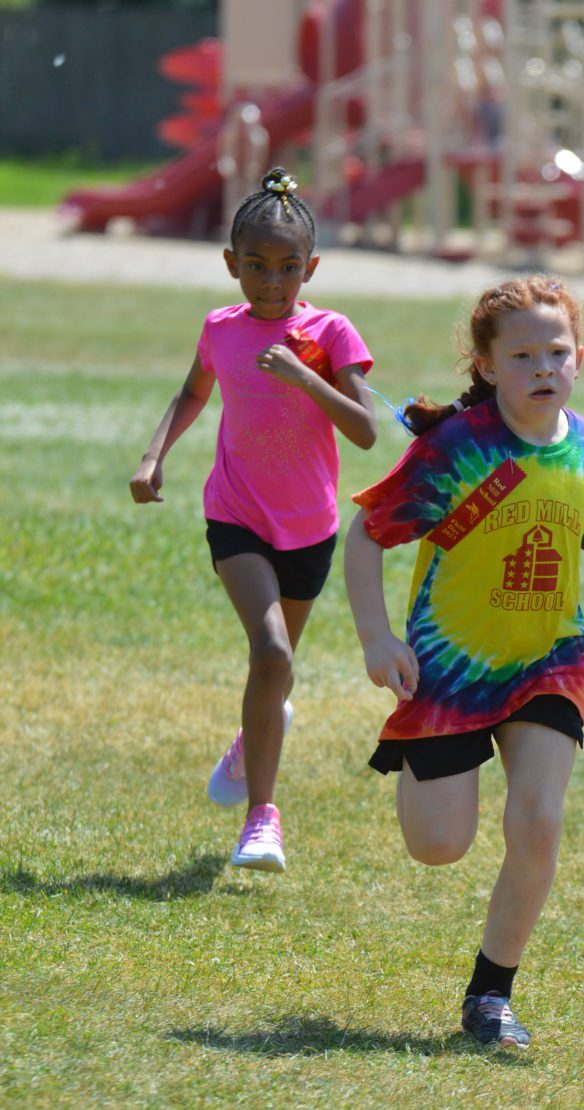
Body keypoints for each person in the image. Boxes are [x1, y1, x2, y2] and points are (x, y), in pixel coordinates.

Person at [344, 277, 584, 1050]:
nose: (544, 368)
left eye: (557, 353)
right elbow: (368, 533)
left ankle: (490, 996)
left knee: (538, 822)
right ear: (487, 366)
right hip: (450, 670)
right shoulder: (458, 449)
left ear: (580, 360)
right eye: (523, 356)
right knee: (439, 845)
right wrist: (378, 639)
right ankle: (429, 783)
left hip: (548, 662)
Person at [129, 167, 376, 873]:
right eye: (257, 266)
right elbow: (192, 393)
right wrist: (153, 457)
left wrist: (305, 375)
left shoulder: (330, 332)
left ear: (311, 268)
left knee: (277, 671)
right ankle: (261, 820)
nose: (273, 282)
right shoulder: (221, 328)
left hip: (309, 528)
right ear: (231, 263)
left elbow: (364, 430)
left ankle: (253, 735)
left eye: (289, 267)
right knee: (271, 654)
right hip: (236, 515)